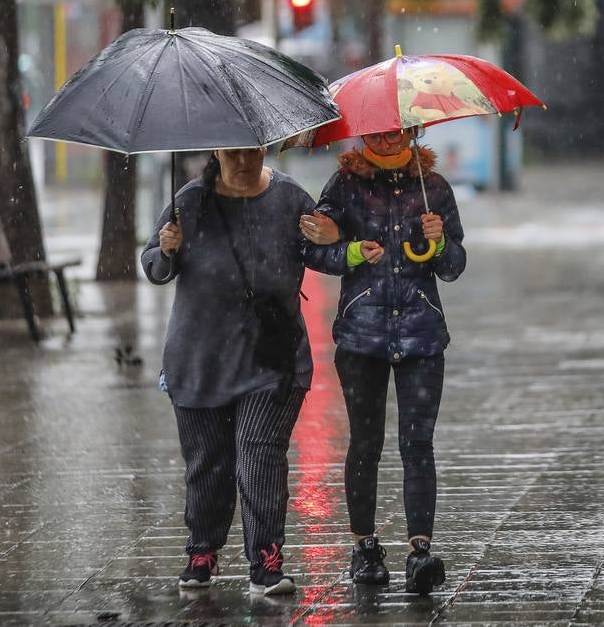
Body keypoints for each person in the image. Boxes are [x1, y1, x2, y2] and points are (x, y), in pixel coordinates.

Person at [140, 147, 340, 596]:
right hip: (200, 358)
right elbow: (154, 267)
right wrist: (167, 249)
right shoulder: (189, 201)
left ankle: (266, 561)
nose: (244, 158)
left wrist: (333, 237)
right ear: (216, 150)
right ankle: (202, 551)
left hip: (270, 359)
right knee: (208, 464)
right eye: (233, 150)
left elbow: (328, 256)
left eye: (252, 148)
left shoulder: (289, 198)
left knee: (258, 457)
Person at [305, 127, 465, 595]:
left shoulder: (432, 187)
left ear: (413, 129)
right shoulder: (343, 185)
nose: (391, 138)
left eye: (399, 130)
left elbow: (454, 266)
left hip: (422, 336)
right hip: (361, 338)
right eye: (380, 130)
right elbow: (315, 249)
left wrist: (439, 243)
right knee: (365, 443)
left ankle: (421, 551)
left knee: (418, 444)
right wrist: (351, 252)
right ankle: (365, 548)